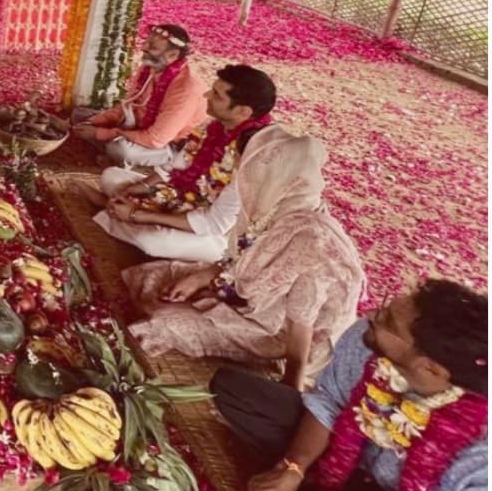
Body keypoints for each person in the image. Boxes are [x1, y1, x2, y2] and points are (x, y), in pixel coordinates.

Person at [212, 280, 487, 491]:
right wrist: (293, 467)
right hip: (347, 461)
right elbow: (329, 400)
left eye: (388, 322)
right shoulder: (366, 341)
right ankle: (303, 485)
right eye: (386, 308)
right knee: (235, 392)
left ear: (429, 368)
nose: (372, 315)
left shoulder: (479, 461)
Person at [122, 125, 365, 389]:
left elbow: (301, 327)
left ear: (274, 176)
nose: (243, 179)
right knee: (154, 275)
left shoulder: (312, 241)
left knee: (164, 325)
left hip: (280, 331)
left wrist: (289, 386)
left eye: (251, 172)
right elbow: (237, 260)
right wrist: (202, 278)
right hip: (247, 297)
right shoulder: (269, 207)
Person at [82, 64, 276, 262]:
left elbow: (214, 223)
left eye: (216, 95)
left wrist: (137, 214)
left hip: (222, 235)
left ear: (243, 112)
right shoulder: (218, 126)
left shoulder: (251, 157)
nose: (207, 95)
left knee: (152, 242)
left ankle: (111, 210)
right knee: (112, 176)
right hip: (184, 197)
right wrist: (138, 188)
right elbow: (173, 168)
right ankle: (122, 212)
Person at [70, 24, 208, 167]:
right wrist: (94, 122)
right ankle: (107, 146)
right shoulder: (149, 68)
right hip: (138, 128)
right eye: (146, 42)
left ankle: (116, 153)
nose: (144, 48)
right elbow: (127, 106)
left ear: (172, 55)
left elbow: (155, 139)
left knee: (120, 149)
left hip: (167, 145)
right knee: (79, 115)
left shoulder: (185, 90)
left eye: (153, 47)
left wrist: (100, 133)